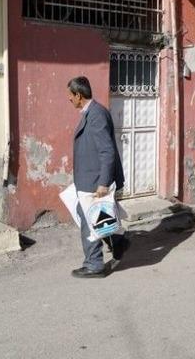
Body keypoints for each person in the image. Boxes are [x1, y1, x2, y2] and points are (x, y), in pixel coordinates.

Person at [67, 76, 130, 278]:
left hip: (94, 180)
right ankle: (118, 241)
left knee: (89, 219)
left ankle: (95, 264)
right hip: (88, 177)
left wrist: (103, 182)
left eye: (70, 96)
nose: (69, 100)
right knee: (90, 212)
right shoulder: (90, 112)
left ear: (78, 95)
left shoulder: (96, 114)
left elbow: (107, 151)